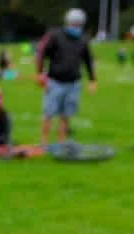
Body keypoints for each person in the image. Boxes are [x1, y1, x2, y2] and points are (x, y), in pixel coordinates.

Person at [36, 8, 96, 143]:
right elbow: (41, 54)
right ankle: (44, 142)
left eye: (78, 24)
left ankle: (61, 142)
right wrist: (40, 74)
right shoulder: (55, 36)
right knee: (48, 113)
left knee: (66, 115)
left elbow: (88, 60)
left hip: (74, 83)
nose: (76, 27)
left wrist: (92, 80)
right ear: (68, 22)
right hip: (54, 82)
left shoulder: (83, 40)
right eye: (74, 23)